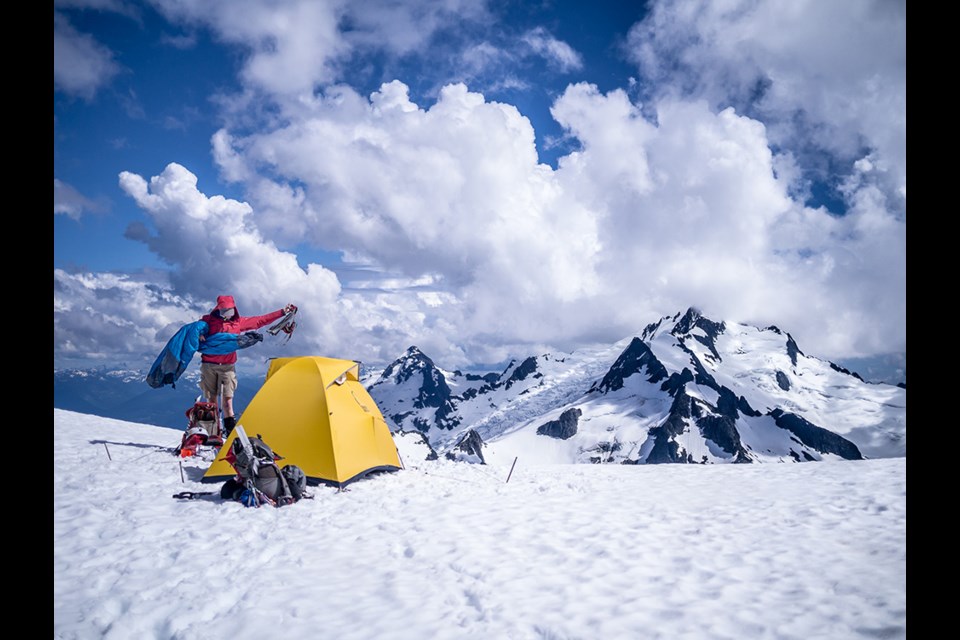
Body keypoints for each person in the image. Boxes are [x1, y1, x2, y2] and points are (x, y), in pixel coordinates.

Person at [199, 295, 297, 437]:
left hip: (227, 366)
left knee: (227, 403)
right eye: (223, 311)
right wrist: (200, 334)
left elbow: (260, 320)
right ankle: (213, 435)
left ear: (234, 309)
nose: (226, 315)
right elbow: (195, 329)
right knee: (211, 402)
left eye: (228, 311)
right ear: (218, 309)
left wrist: (282, 312)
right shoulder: (208, 321)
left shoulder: (238, 323)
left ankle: (230, 436)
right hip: (208, 365)